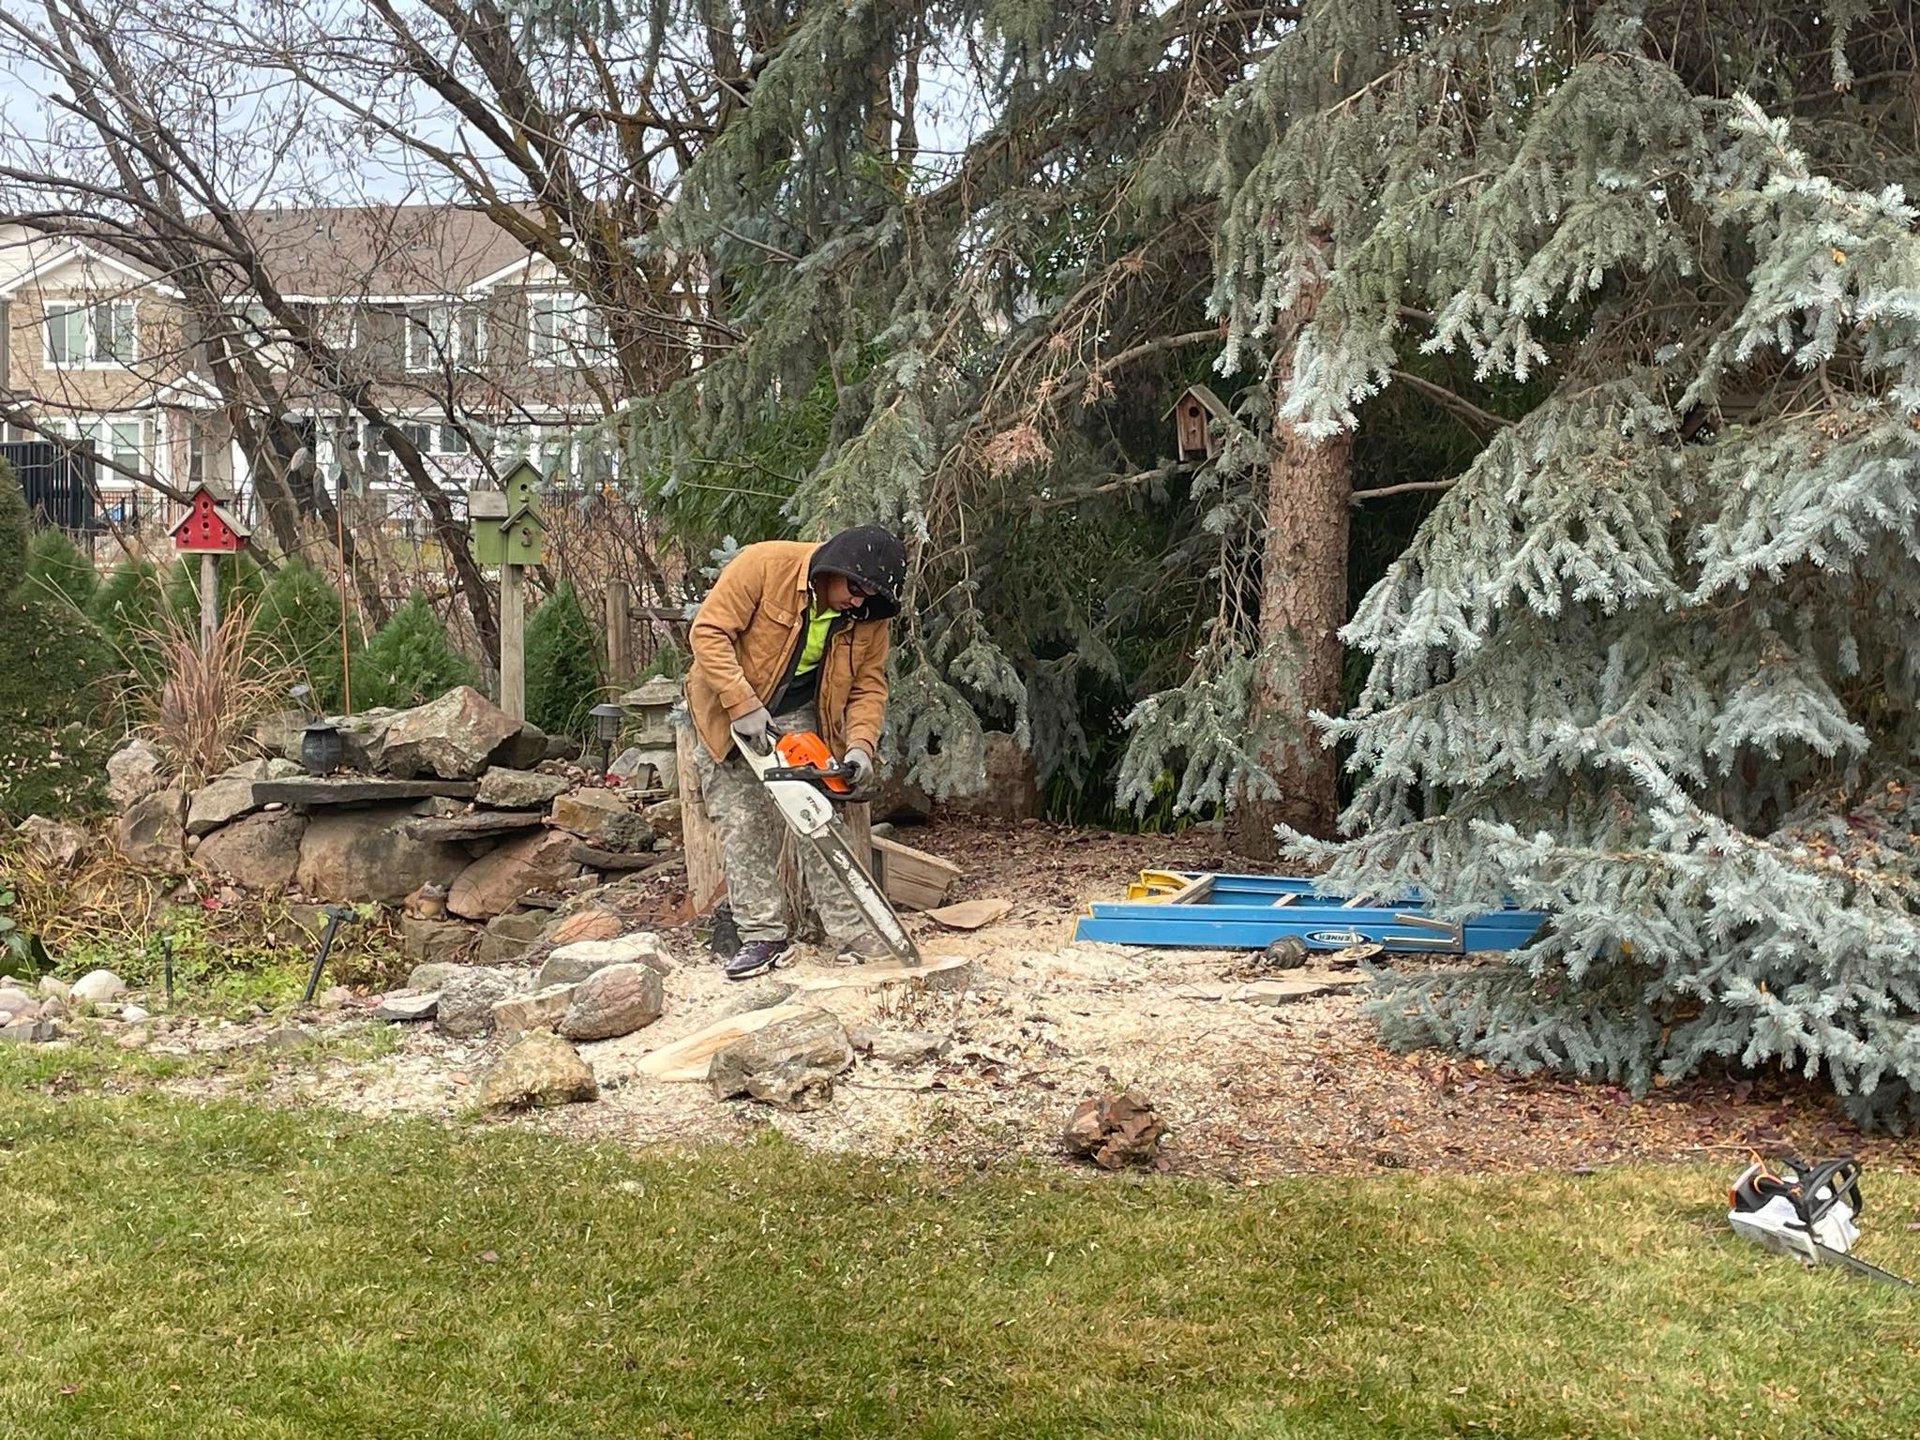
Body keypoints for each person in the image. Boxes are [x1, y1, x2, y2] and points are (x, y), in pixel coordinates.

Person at [685, 523, 907, 980]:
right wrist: (742, 704)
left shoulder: (868, 617)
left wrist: (862, 746)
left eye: (869, 597)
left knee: (818, 813)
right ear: (833, 567)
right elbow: (708, 632)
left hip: (800, 712)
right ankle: (762, 935)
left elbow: (869, 685)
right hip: (729, 708)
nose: (858, 602)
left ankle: (849, 931)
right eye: (854, 589)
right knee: (742, 822)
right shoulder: (764, 566)